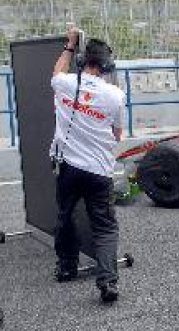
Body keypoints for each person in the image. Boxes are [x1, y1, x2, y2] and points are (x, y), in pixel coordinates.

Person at [51, 26, 125, 303]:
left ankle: (67, 268)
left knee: (65, 216)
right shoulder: (115, 95)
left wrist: (70, 44)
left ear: (83, 61)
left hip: (69, 167)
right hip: (99, 171)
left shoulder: (65, 83)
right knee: (105, 226)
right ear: (107, 66)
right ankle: (107, 282)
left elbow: (57, 72)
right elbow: (117, 134)